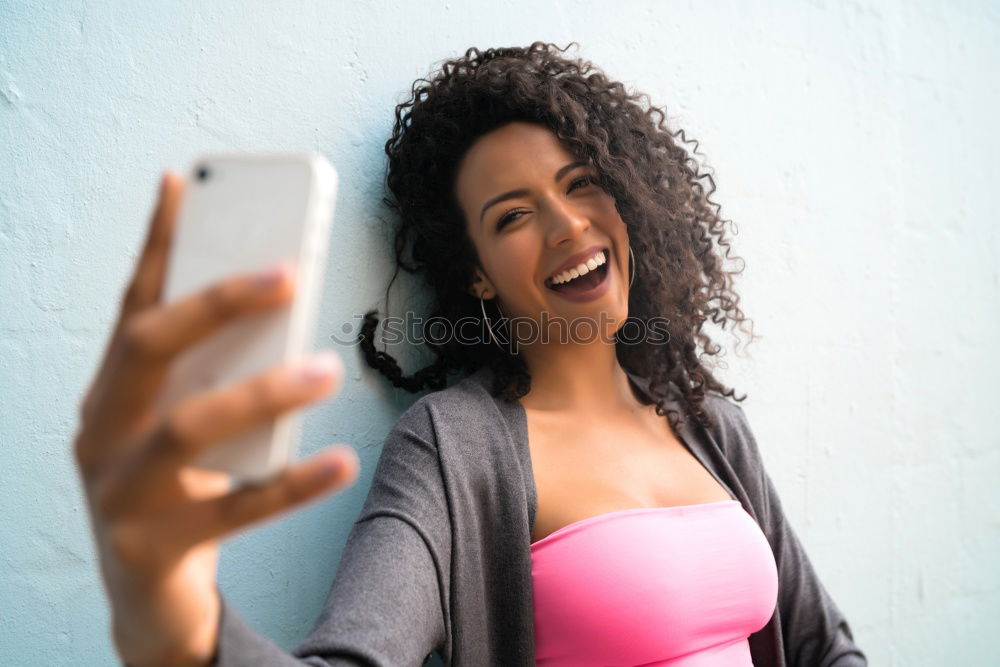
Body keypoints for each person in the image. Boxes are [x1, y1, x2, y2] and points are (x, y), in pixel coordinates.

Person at [75, 42, 867, 666]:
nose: (567, 226)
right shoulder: (454, 445)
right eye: (514, 214)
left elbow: (824, 647)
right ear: (479, 276)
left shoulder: (711, 424)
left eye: (582, 181)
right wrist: (176, 616)